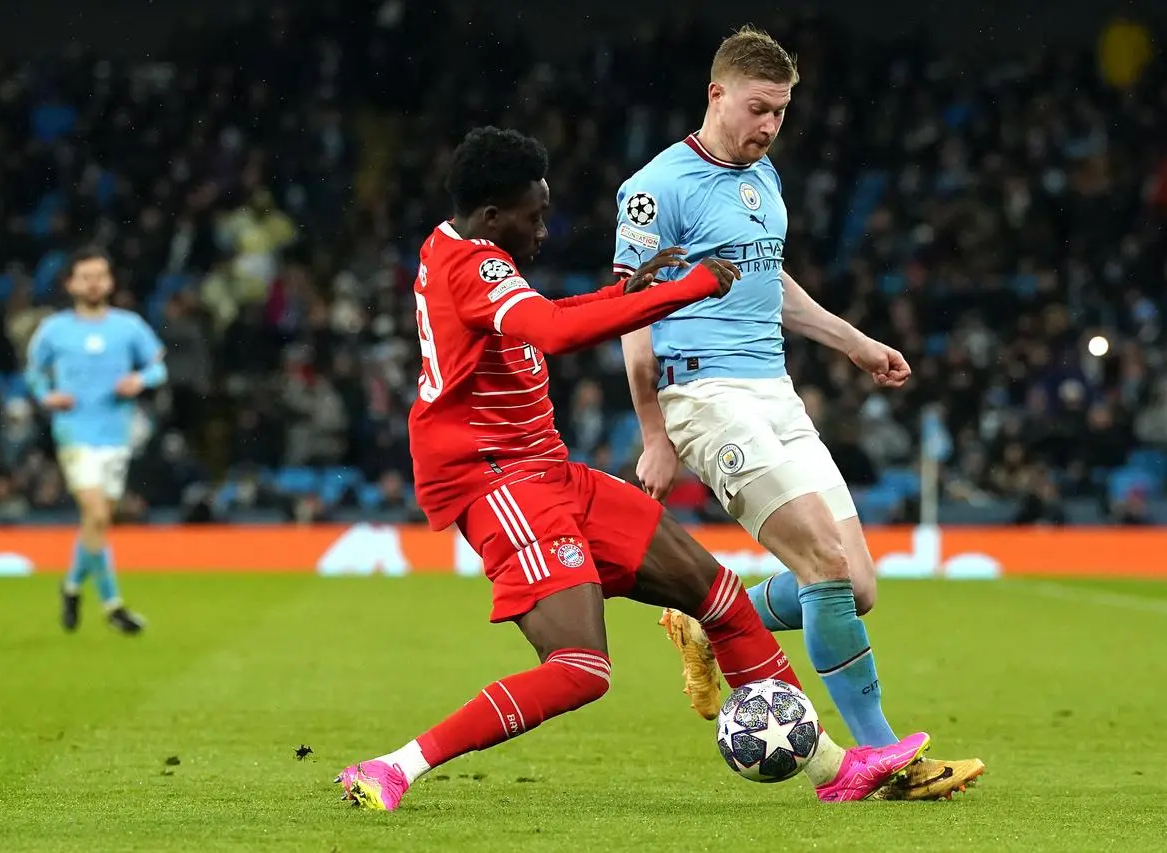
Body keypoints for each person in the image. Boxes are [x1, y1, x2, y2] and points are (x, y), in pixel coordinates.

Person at [336, 127, 933, 810]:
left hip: (549, 472)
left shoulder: (464, 250)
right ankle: (393, 766)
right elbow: (555, 333)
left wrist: (629, 292)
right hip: (498, 483)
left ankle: (836, 770)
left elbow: (558, 313)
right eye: (534, 213)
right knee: (581, 669)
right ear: (492, 216)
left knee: (723, 601)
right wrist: (688, 288)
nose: (544, 225)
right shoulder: (473, 267)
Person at [613, 27, 984, 800]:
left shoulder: (765, 177)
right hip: (705, 396)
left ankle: (704, 623)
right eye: (758, 109)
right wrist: (655, 431)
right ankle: (881, 760)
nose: (770, 126)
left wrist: (852, 341)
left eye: (781, 112)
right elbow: (631, 314)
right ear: (717, 95)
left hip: (774, 391)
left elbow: (772, 284)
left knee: (859, 585)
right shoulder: (656, 188)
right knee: (822, 565)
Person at [25, 246, 168, 635]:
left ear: (111, 281)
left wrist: (140, 380)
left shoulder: (129, 326)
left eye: (100, 276)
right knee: (99, 515)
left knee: (96, 523)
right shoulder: (54, 330)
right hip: (74, 431)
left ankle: (72, 586)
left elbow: (158, 366)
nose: (94, 283)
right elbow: (34, 373)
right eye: (85, 276)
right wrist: (46, 395)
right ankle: (113, 604)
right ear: (71, 283)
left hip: (115, 434)